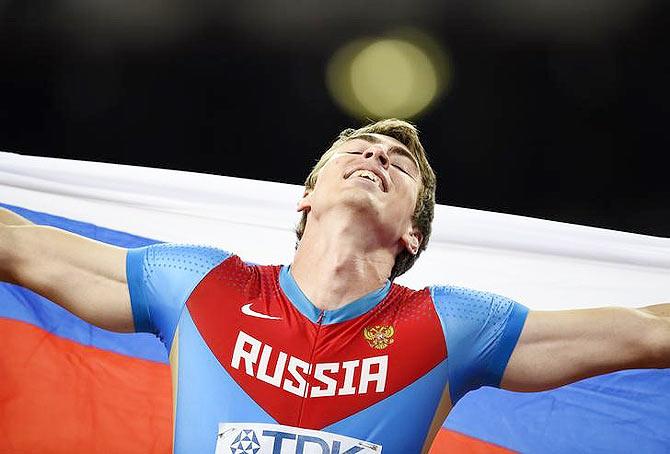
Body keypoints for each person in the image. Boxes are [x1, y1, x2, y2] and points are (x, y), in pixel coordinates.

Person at [0, 118, 668, 453]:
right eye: (358, 151)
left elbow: (645, 333)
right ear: (306, 198)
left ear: (412, 234)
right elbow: (21, 247)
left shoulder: (453, 326)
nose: (377, 156)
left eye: (399, 164)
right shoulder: (201, 285)